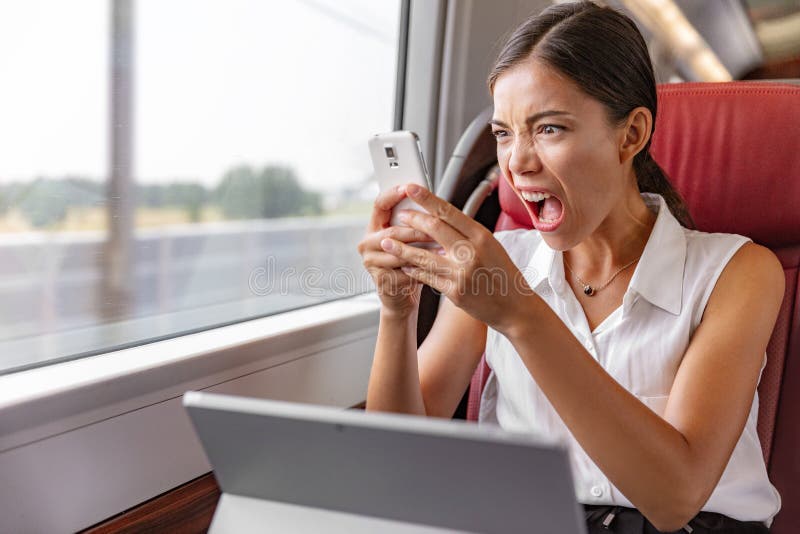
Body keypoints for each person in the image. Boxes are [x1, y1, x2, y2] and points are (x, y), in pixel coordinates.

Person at [357, 2, 783, 532]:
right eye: (504, 133)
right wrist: (396, 313)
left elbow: (675, 498)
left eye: (549, 129)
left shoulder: (739, 271)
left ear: (631, 135)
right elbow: (398, 460)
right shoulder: (501, 261)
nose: (517, 162)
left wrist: (521, 315)